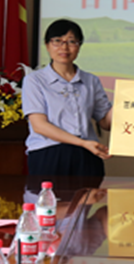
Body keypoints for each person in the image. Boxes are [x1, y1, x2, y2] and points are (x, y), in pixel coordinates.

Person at [22, 19, 112, 176]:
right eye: (57, 41)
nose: (64, 47)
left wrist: (124, 102)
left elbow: (105, 122)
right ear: (47, 45)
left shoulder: (91, 80)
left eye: (71, 41)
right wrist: (82, 143)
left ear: (79, 46)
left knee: (90, 193)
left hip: (87, 155)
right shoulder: (34, 80)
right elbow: (39, 125)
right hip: (49, 153)